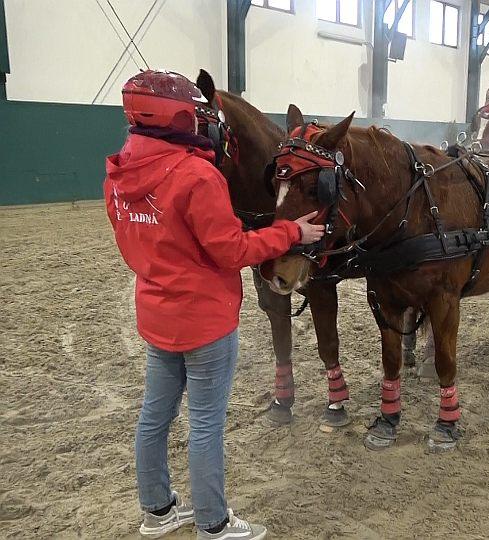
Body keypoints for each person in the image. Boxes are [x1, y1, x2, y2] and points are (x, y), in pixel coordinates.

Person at [104, 70, 325, 540]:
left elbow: (129, 242)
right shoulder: (197, 174)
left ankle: (158, 510)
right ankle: (213, 522)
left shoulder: (119, 170)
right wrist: (292, 232)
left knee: (154, 415)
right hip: (205, 320)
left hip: (156, 313)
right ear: (183, 120)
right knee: (206, 425)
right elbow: (232, 251)